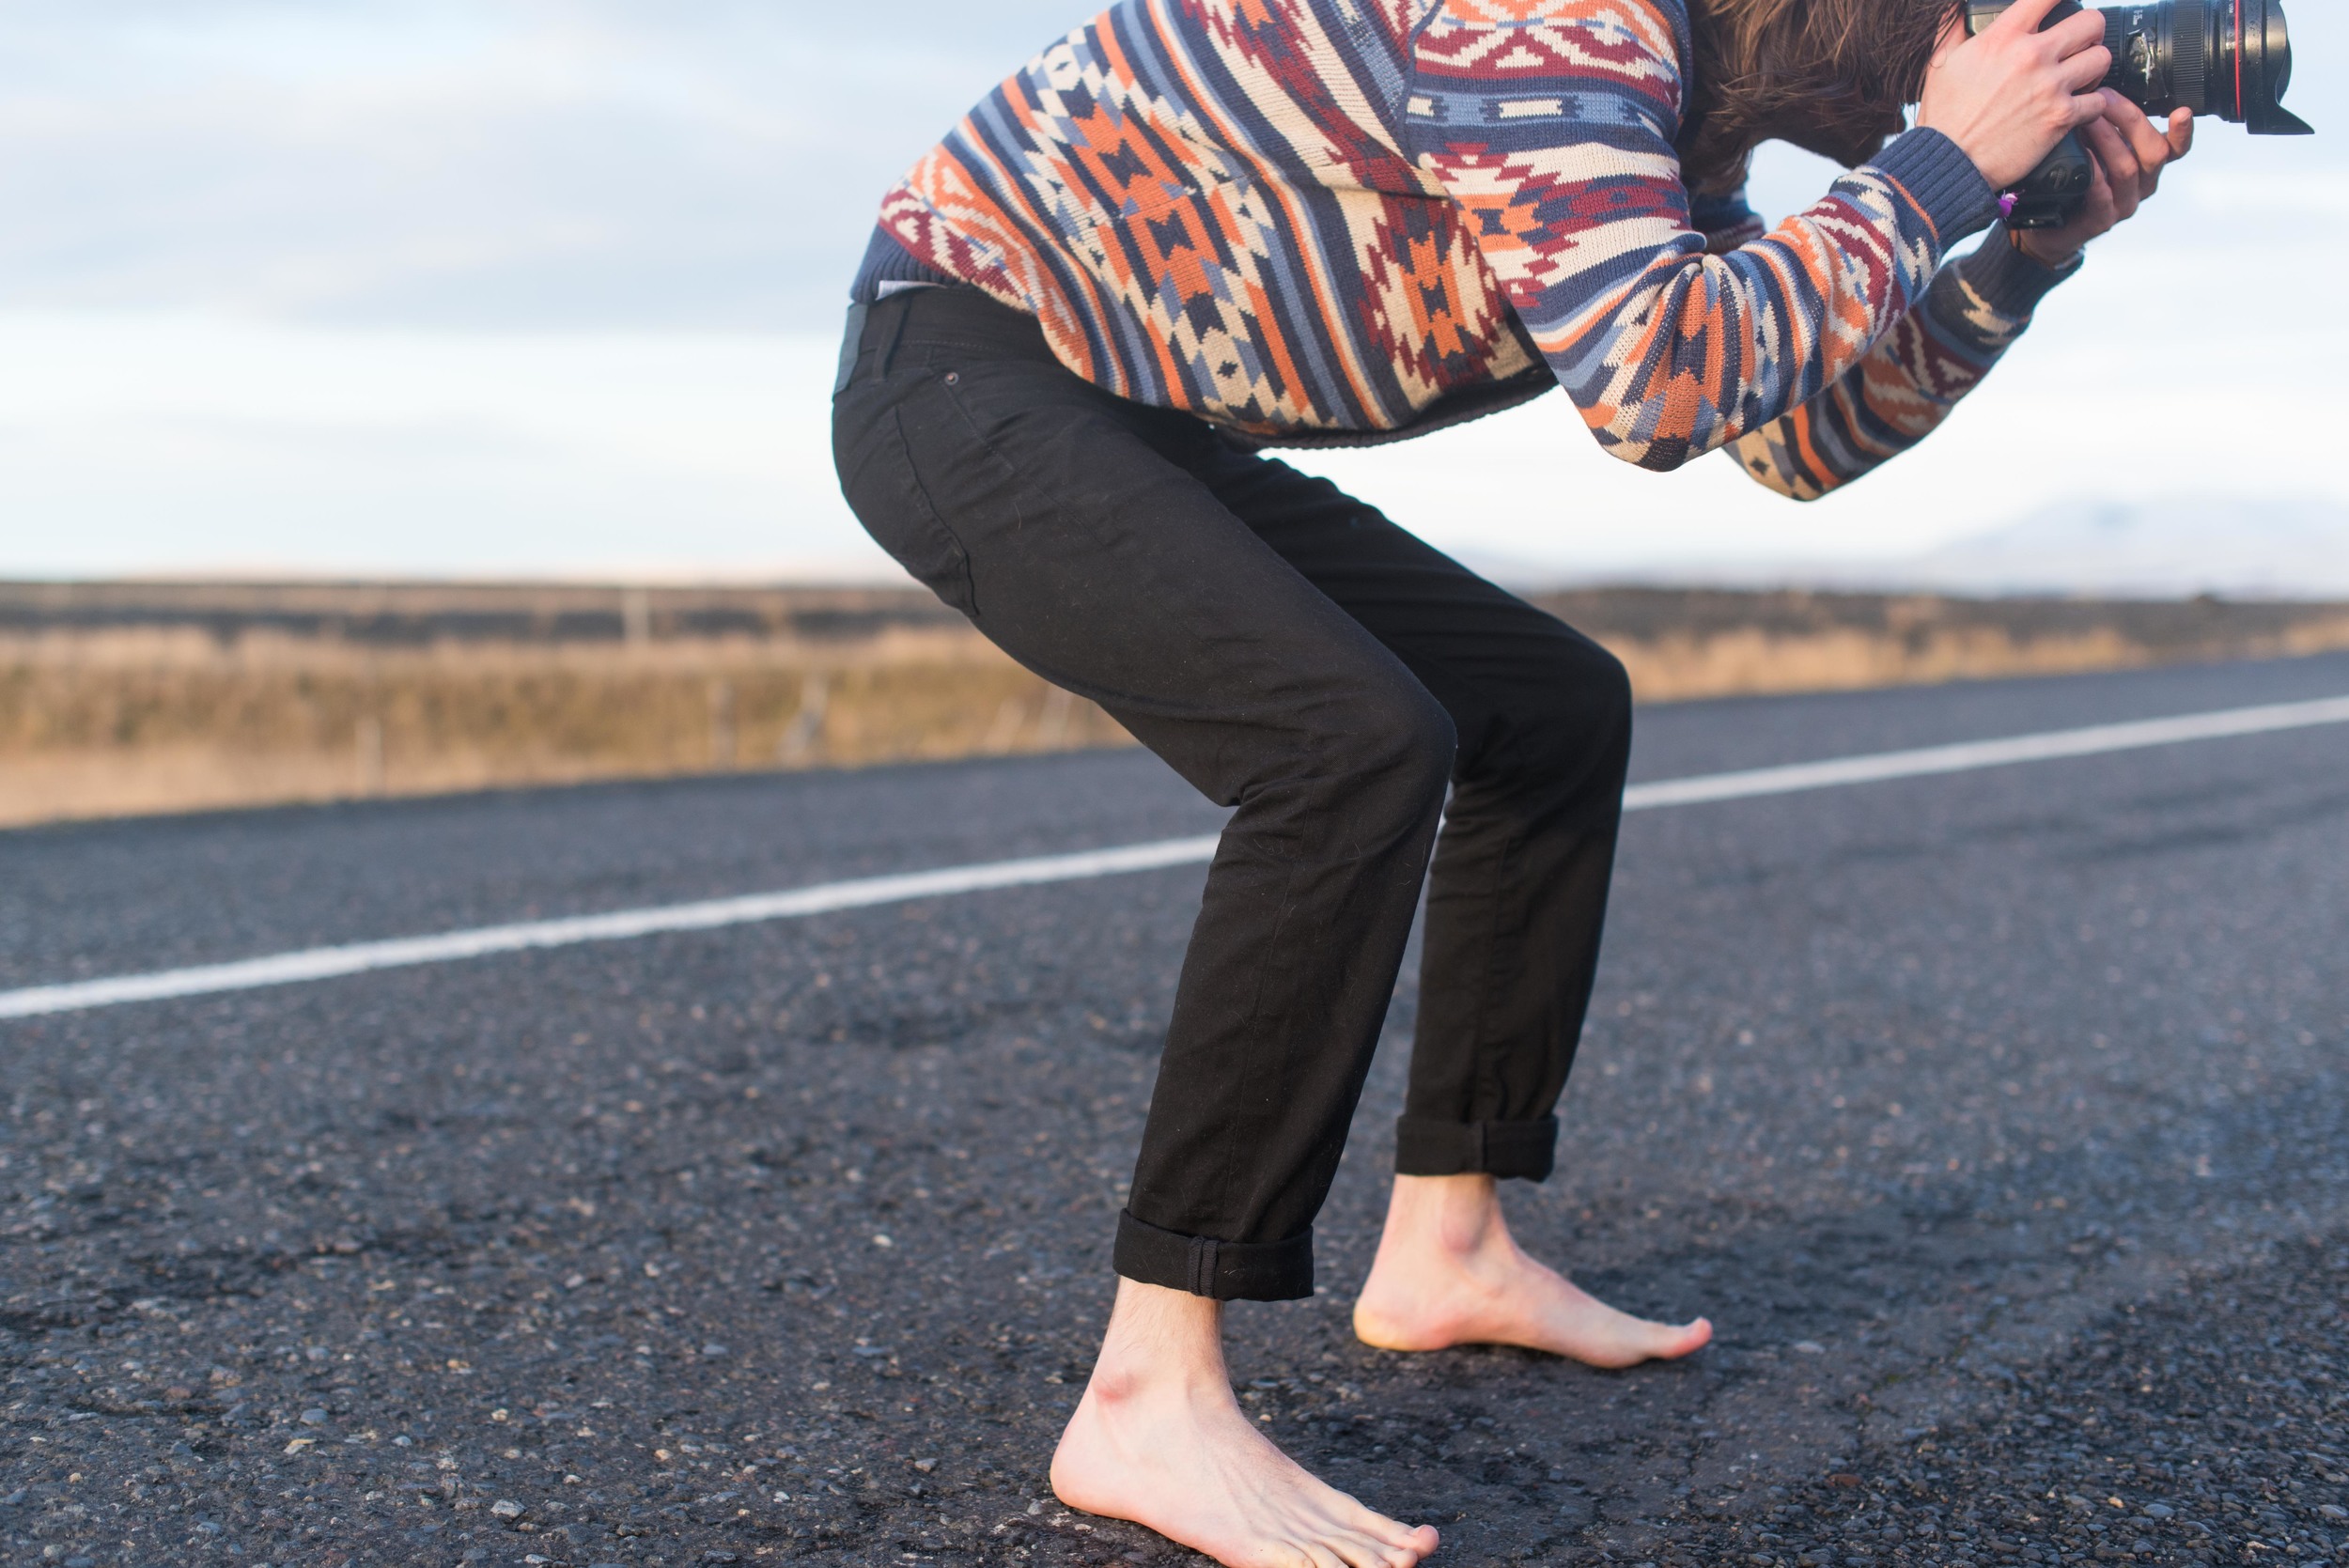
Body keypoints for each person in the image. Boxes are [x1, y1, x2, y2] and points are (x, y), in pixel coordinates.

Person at [832, 0, 2189, 1557]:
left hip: (1125, 414)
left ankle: (1449, 1239)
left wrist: (2024, 250)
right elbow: (1656, 382)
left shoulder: (1679, 131)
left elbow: (1789, 439)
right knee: (1348, 745)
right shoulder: (1563, 24)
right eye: (1971, 22)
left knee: (1549, 706)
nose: (1990, 56)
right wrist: (1943, 169)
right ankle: (1149, 1391)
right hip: (962, 370)